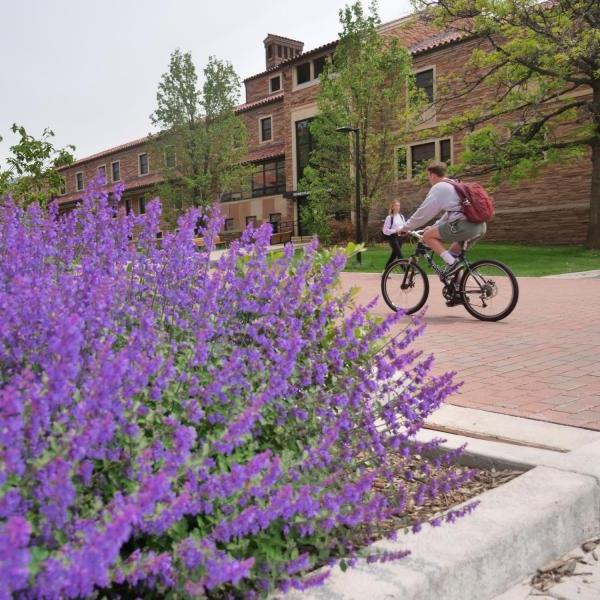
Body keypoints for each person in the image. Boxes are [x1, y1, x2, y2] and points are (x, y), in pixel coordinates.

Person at [399, 161, 487, 278]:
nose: (429, 180)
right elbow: (451, 213)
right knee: (452, 255)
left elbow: (424, 212)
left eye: (428, 177)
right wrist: (435, 226)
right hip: (480, 226)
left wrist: (405, 227)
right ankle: (458, 291)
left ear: (432, 175)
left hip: (465, 226)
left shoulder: (439, 187)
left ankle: (453, 264)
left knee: (427, 236)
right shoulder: (455, 183)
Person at [382, 200, 406, 268]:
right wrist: (395, 230)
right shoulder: (389, 217)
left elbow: (404, 226)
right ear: (392, 207)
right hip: (393, 238)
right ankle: (406, 272)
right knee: (399, 255)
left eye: (399, 205)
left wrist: (406, 230)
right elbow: (385, 230)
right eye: (396, 205)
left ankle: (384, 271)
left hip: (400, 238)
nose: (398, 207)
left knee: (393, 255)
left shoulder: (401, 216)